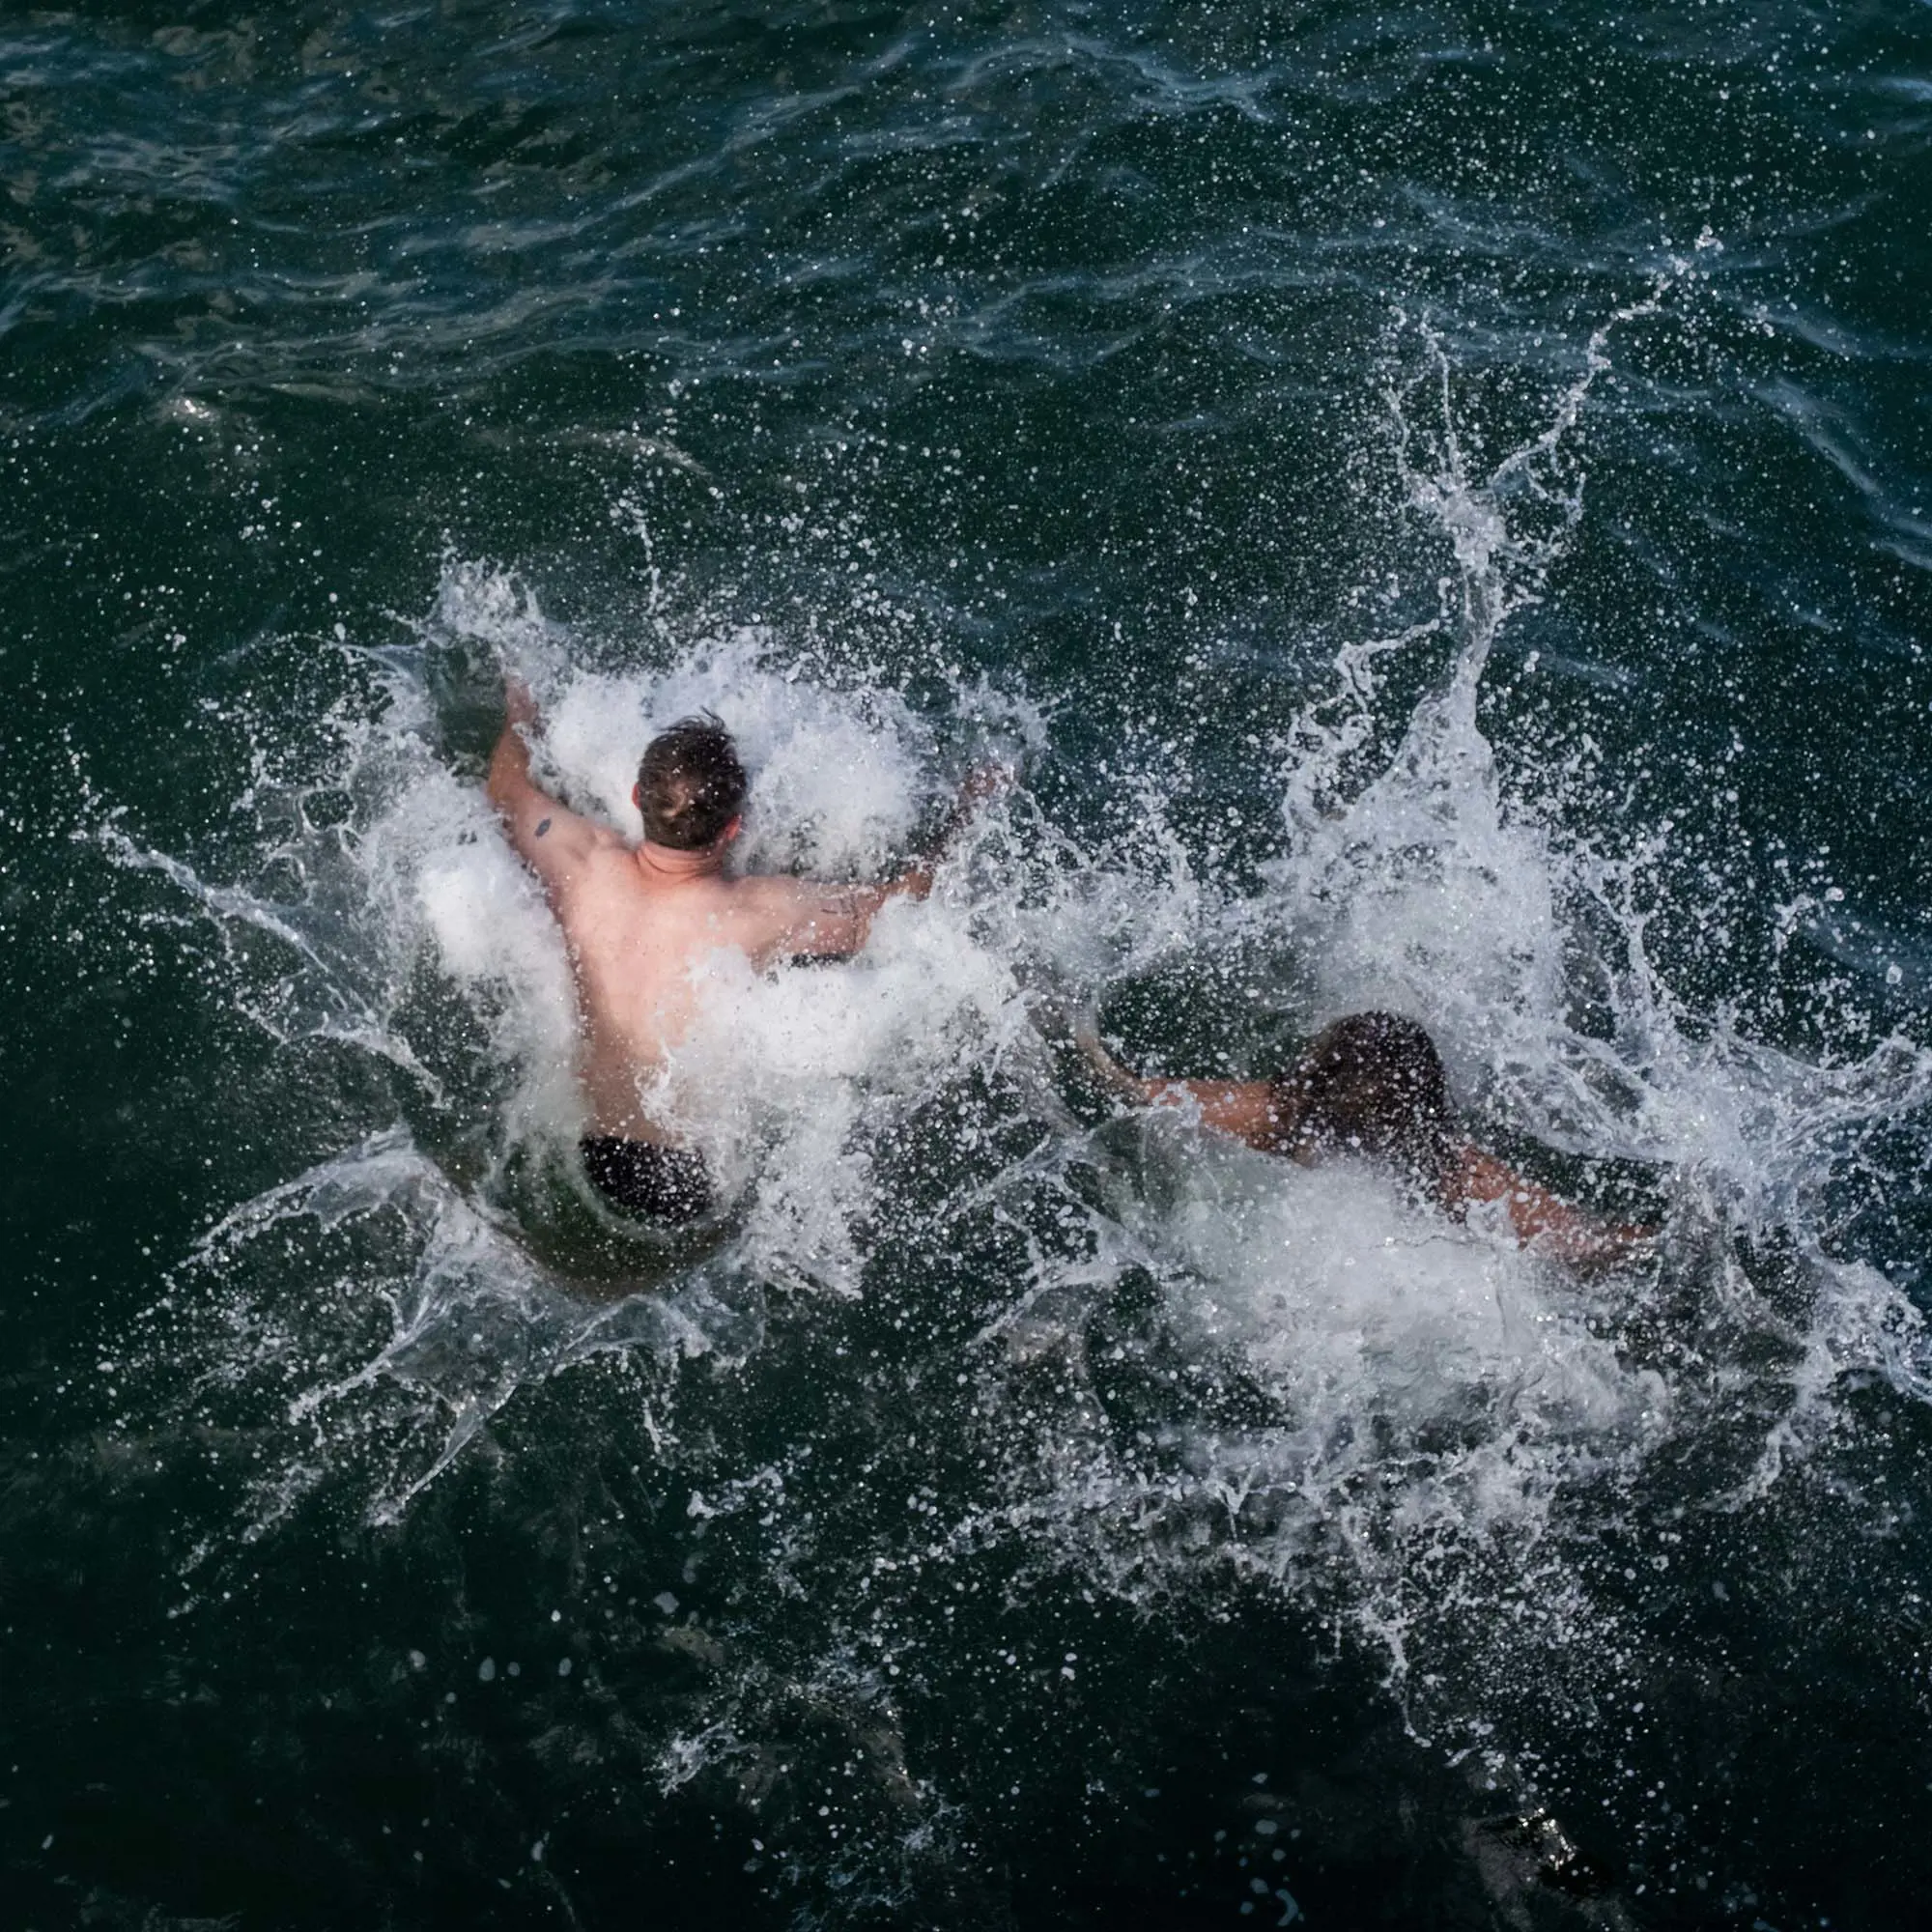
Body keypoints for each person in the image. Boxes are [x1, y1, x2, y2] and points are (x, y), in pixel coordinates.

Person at [487, 676, 1001, 1225]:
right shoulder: (762, 912)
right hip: (693, 1177)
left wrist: (522, 703)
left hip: (598, 1151)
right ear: (733, 827)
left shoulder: (582, 864)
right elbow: (899, 905)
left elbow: (505, 788)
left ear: (637, 799)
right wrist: (966, 811)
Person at [1076, 1009, 1654, 1271]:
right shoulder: (1279, 1114)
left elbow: (1582, 1239)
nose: (1364, 1131)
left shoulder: (1451, 1172)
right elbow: (1125, 1089)